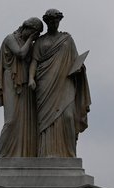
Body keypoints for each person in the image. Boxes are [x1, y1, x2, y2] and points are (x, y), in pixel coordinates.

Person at [28, 9, 91, 158]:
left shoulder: (67, 40)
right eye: (50, 21)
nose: (53, 23)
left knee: (68, 116)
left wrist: (79, 68)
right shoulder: (40, 41)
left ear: (59, 21)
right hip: (45, 83)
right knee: (45, 120)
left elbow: (75, 59)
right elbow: (34, 62)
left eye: (56, 21)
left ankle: (68, 154)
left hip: (65, 81)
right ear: (46, 22)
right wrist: (31, 78)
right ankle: (46, 153)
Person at [0, 17, 43, 158]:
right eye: (36, 33)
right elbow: (21, 53)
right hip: (11, 79)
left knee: (25, 121)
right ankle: (4, 156)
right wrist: (30, 40)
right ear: (27, 28)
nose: (36, 37)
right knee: (11, 120)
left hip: (25, 84)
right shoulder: (10, 38)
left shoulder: (30, 44)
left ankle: (24, 154)